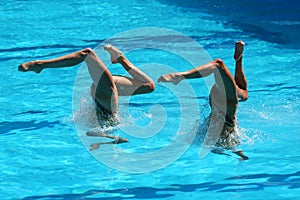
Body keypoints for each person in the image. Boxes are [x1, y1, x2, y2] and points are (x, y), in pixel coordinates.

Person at [18, 45, 155, 148]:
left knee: (149, 86)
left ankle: (120, 59)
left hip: (105, 96)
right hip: (107, 97)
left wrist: (113, 138)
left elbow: (92, 134)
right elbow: (93, 134)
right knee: (88, 54)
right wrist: (114, 138)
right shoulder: (104, 124)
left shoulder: (99, 125)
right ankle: (40, 65)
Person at [158, 41, 249, 160]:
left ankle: (180, 77)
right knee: (242, 92)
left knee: (218, 65)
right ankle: (239, 60)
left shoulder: (226, 102)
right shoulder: (229, 102)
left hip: (216, 128)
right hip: (224, 129)